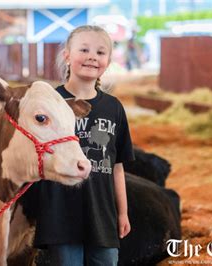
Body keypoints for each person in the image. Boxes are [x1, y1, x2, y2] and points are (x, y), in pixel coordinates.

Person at [26, 25, 135, 266]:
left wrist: (122, 212)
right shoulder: (49, 103)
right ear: (67, 55)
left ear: (108, 59)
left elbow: (117, 167)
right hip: (60, 215)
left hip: (102, 215)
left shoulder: (114, 107)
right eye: (84, 49)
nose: (92, 57)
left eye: (100, 52)